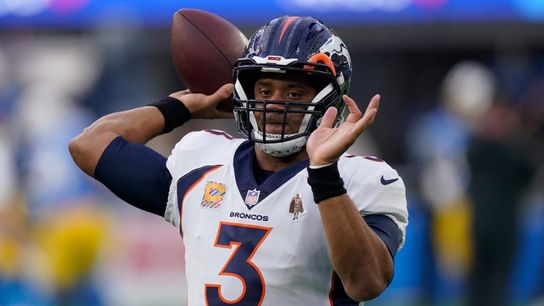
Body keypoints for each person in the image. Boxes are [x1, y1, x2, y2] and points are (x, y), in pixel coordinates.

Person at [69, 15, 408, 305]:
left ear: (329, 99)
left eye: (293, 93)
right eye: (264, 90)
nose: (274, 104)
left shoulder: (362, 178)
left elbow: (367, 282)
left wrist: (324, 175)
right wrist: (181, 108)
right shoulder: (202, 160)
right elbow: (90, 145)